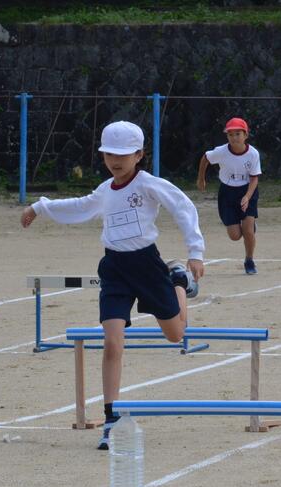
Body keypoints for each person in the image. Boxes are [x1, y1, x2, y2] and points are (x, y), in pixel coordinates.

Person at [21, 121, 205, 449]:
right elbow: (80, 207)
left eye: (123, 155)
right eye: (109, 155)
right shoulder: (105, 190)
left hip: (147, 266)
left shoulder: (148, 185)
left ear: (139, 155)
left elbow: (183, 207)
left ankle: (178, 280)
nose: (115, 161)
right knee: (112, 342)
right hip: (115, 269)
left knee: (176, 334)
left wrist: (195, 252)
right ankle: (111, 418)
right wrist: (41, 206)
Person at [197, 117, 262, 274]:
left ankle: (249, 260)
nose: (234, 138)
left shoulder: (253, 154)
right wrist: (201, 178)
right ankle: (247, 227)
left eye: (238, 134)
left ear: (246, 135)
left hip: (247, 190)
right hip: (227, 192)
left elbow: (254, 178)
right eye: (230, 134)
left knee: (247, 230)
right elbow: (205, 158)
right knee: (235, 235)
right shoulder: (221, 151)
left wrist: (247, 197)